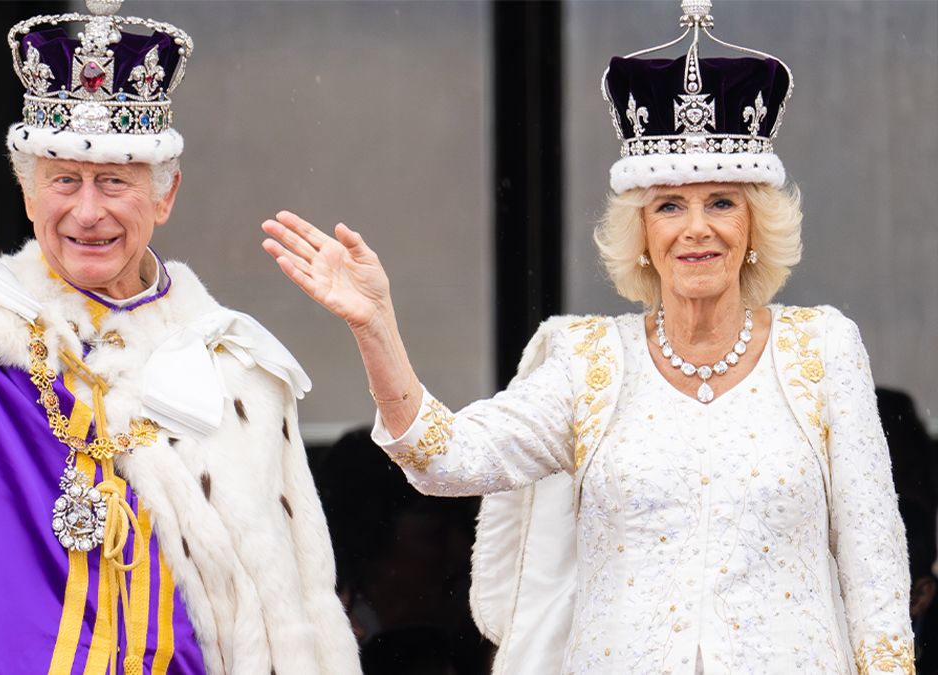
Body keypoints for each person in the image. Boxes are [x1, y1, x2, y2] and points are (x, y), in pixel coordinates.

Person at [260, 3, 914, 674]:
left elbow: (875, 561)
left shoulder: (824, 350)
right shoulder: (588, 362)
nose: (697, 227)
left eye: (722, 201)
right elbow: (443, 459)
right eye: (669, 205)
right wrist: (376, 325)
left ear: (755, 226)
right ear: (642, 233)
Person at [0, 3, 359, 675]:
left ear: (164, 196)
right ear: (26, 191)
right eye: (64, 180)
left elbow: (276, 616)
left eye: (114, 181)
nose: (87, 211)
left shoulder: (233, 374)